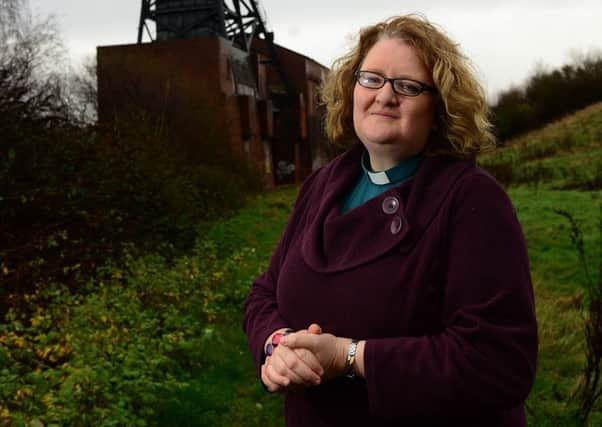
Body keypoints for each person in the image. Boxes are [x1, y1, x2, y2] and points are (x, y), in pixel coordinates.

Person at [243, 14, 538, 427]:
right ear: (351, 91)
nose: (384, 96)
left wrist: (350, 357)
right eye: (371, 79)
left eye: (408, 86)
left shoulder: (471, 200)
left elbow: (499, 362)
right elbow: (263, 294)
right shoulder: (324, 184)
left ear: (440, 108)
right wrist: (275, 348)